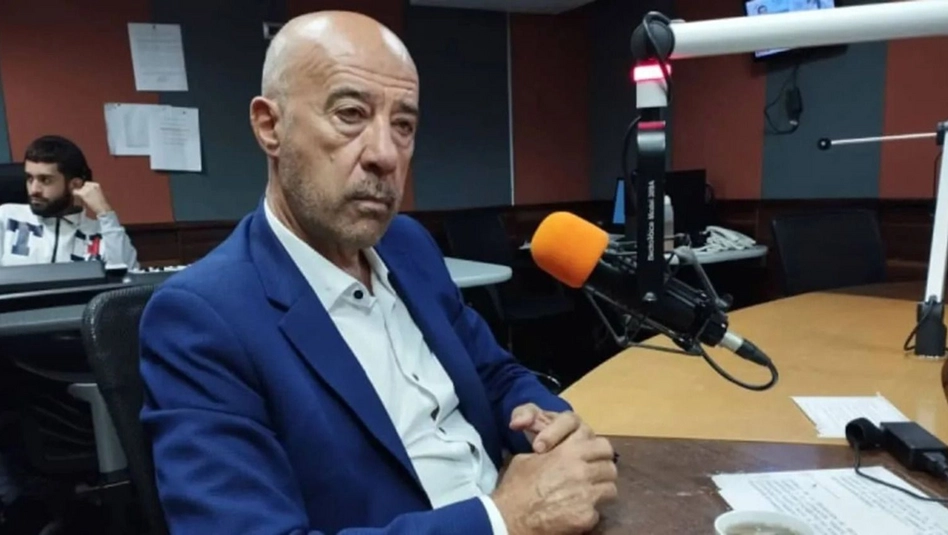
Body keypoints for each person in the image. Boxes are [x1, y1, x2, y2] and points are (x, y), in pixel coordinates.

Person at [139, 10, 618, 535]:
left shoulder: (408, 246)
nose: (386, 155)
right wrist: (504, 519)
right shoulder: (201, 319)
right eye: (350, 114)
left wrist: (549, 426)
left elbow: (494, 373)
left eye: (403, 125)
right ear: (270, 126)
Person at [0, 135, 139, 268]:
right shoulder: (6, 217)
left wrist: (105, 213)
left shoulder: (99, 233)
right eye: (30, 178)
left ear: (75, 185)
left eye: (45, 180)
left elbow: (127, 277)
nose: (34, 189)